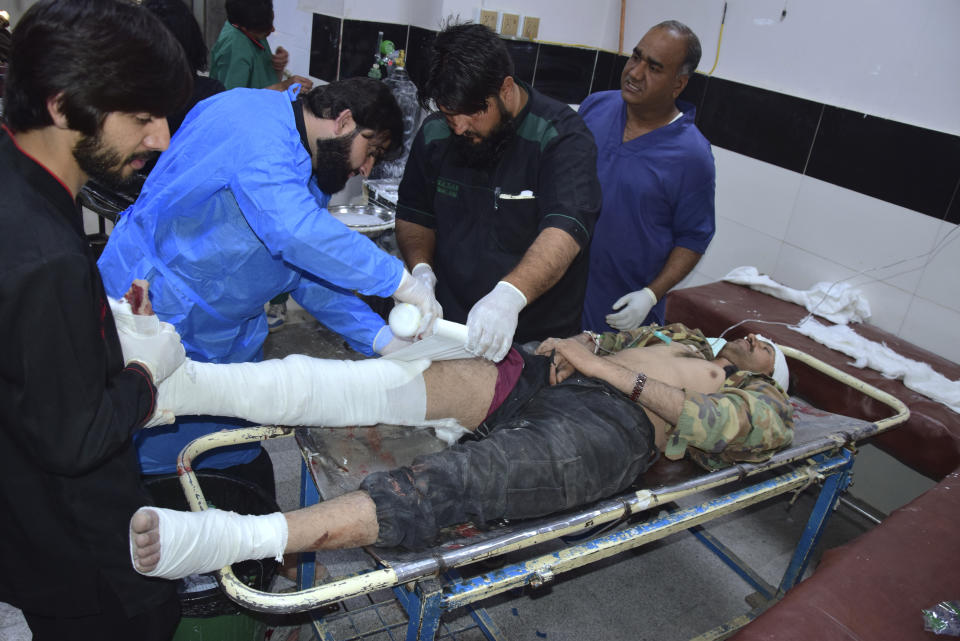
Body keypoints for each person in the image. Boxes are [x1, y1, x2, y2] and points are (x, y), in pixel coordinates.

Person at [126, 321, 792, 576]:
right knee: (395, 382)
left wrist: (609, 372)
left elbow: (720, 430)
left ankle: (231, 538)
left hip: (610, 430)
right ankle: (186, 386)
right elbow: (602, 342)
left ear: (767, 370)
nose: (756, 336)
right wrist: (576, 347)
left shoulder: (763, 397)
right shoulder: (682, 335)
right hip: (550, 378)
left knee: (449, 482)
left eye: (768, 345)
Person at [97, 77, 441, 494]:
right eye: (370, 150)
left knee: (229, 457)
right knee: (145, 460)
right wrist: (397, 280)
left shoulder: (307, 168)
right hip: (158, 310)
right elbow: (295, 234)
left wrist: (381, 337)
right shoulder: (253, 124)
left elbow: (303, 271)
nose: (365, 169)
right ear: (344, 120)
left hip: (224, 333)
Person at [0, 0, 193, 637]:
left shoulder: (15, 183)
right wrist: (143, 370)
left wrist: (96, 321)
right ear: (62, 104)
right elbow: (75, 438)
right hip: (81, 550)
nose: (160, 138)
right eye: (141, 118)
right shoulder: (46, 254)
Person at [395, 22, 602, 362]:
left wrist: (509, 296)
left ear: (506, 89)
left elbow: (566, 229)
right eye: (449, 114)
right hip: (448, 329)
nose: (459, 127)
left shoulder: (560, 138)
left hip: (533, 338)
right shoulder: (436, 135)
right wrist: (422, 272)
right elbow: (415, 215)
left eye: (471, 113)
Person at [580, 21, 716, 333]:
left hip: (620, 310)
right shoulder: (596, 107)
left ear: (678, 84)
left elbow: (694, 238)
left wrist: (651, 295)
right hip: (562, 288)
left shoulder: (691, 155)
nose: (636, 73)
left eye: (654, 68)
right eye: (635, 57)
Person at [210, 0, 310, 94]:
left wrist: (278, 68)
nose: (272, 30)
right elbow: (232, 102)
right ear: (244, 28)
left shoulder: (250, 27)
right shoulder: (234, 48)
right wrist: (283, 86)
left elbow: (266, 82)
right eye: (265, 32)